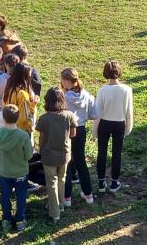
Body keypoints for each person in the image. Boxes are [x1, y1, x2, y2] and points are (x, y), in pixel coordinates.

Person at [36, 87, 77, 222]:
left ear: (47, 101)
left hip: (48, 155)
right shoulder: (69, 115)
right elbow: (73, 134)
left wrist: (41, 150)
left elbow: (41, 138)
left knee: (51, 182)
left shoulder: (43, 118)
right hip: (64, 154)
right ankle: (61, 206)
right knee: (62, 179)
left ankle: (54, 213)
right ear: (62, 100)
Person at [0, 104, 32, 232]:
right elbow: (29, 155)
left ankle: (6, 220)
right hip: (20, 172)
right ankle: (20, 220)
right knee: (20, 196)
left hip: (5, 172)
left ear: (3, 118)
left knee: (5, 197)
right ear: (18, 117)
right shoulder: (23, 135)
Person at [93, 61, 133, 193]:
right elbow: (129, 111)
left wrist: (95, 130)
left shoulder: (102, 90)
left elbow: (97, 112)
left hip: (104, 124)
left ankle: (101, 182)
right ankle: (114, 182)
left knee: (102, 152)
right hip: (119, 124)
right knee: (117, 153)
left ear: (105, 73)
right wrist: (128, 127)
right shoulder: (127, 90)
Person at [61, 68, 98, 206]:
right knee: (81, 161)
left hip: (66, 129)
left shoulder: (63, 96)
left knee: (68, 161)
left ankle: (67, 197)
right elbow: (94, 114)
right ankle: (88, 194)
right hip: (81, 129)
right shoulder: (87, 95)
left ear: (66, 81)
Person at [3, 63, 38, 135]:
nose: (31, 76)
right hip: (21, 131)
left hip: (9, 126)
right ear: (25, 76)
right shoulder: (22, 94)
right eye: (29, 74)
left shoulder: (9, 88)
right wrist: (33, 104)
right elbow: (25, 118)